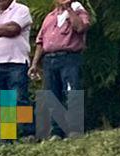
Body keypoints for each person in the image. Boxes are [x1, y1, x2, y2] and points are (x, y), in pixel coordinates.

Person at [30, 0, 90, 137]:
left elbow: (81, 27)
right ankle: (57, 131)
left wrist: (69, 8)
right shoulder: (49, 17)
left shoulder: (78, 10)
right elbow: (40, 42)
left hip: (69, 57)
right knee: (52, 95)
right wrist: (34, 64)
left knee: (72, 92)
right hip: (49, 59)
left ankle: (75, 129)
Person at [0, 0, 35, 136]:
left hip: (16, 61)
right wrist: (3, 30)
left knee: (19, 99)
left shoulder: (21, 10)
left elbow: (14, 29)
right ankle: (4, 137)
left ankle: (26, 134)